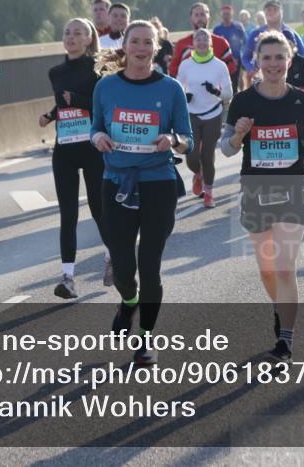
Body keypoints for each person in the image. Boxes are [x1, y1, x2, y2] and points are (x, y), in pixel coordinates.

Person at [222, 30, 304, 364]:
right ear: (257, 62)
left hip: (293, 185)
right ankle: (279, 307)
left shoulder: (303, 101)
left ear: (290, 59)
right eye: (266, 58)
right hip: (255, 188)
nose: (273, 64)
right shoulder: (242, 101)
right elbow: (225, 149)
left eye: (279, 57)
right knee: (267, 271)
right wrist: (239, 133)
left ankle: (285, 341)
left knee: (284, 268)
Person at [91, 21, 193, 366]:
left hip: (158, 181)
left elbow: (187, 137)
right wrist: (97, 139)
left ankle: (146, 340)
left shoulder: (171, 88)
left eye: (148, 42)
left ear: (156, 48)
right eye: (135, 41)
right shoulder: (105, 87)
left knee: (150, 266)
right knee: (122, 267)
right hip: (117, 182)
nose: (141, 48)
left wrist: (173, 141)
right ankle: (129, 301)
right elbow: (96, 128)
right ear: (125, 45)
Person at [38, 18, 107, 297]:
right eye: (67, 32)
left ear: (89, 38)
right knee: (68, 213)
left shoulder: (98, 69)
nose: (70, 37)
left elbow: (101, 105)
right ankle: (68, 277)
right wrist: (50, 115)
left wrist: (76, 99)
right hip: (64, 148)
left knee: (98, 208)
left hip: (91, 147)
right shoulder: (55, 72)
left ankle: (112, 257)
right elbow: (61, 102)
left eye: (77, 33)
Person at [177, 28, 233, 208]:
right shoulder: (186, 65)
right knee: (192, 156)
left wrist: (215, 91)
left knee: (208, 155)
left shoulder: (219, 65)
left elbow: (228, 93)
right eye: (197, 39)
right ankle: (198, 173)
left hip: (213, 114)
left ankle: (208, 192)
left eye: (205, 39)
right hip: (191, 114)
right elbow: (178, 87)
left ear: (210, 42)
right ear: (193, 43)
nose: (201, 42)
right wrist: (184, 96)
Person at [241, 0, 304, 86]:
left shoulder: (291, 33)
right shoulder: (256, 34)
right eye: (269, 10)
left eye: (275, 9)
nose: (272, 12)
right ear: (265, 13)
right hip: (261, 82)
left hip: (287, 82)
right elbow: (245, 57)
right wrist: (252, 69)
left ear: (281, 13)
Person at [168, 3, 236, 79]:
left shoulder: (221, 43)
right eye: (196, 15)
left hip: (214, 89)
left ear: (209, 18)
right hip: (189, 89)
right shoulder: (182, 44)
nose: (200, 18)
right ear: (191, 19)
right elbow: (173, 70)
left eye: (203, 14)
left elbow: (231, 68)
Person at [212, 5, 247, 92]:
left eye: (228, 14)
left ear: (232, 14)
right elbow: (213, 45)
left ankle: (235, 101)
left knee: (234, 83)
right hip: (221, 60)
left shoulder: (238, 27)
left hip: (235, 60)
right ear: (221, 15)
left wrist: (242, 58)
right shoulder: (217, 29)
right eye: (224, 14)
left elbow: (244, 42)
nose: (226, 16)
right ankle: (224, 102)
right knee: (221, 83)